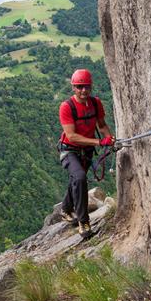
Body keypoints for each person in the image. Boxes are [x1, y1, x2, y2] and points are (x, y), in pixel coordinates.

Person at [58, 69, 115, 238]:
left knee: (77, 178)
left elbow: (102, 125)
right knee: (80, 177)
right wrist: (99, 142)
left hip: (86, 150)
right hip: (69, 150)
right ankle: (84, 222)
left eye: (86, 87)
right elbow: (72, 136)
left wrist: (110, 139)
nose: (83, 90)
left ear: (90, 87)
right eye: (79, 87)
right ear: (74, 88)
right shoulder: (67, 107)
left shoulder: (95, 103)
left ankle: (66, 209)